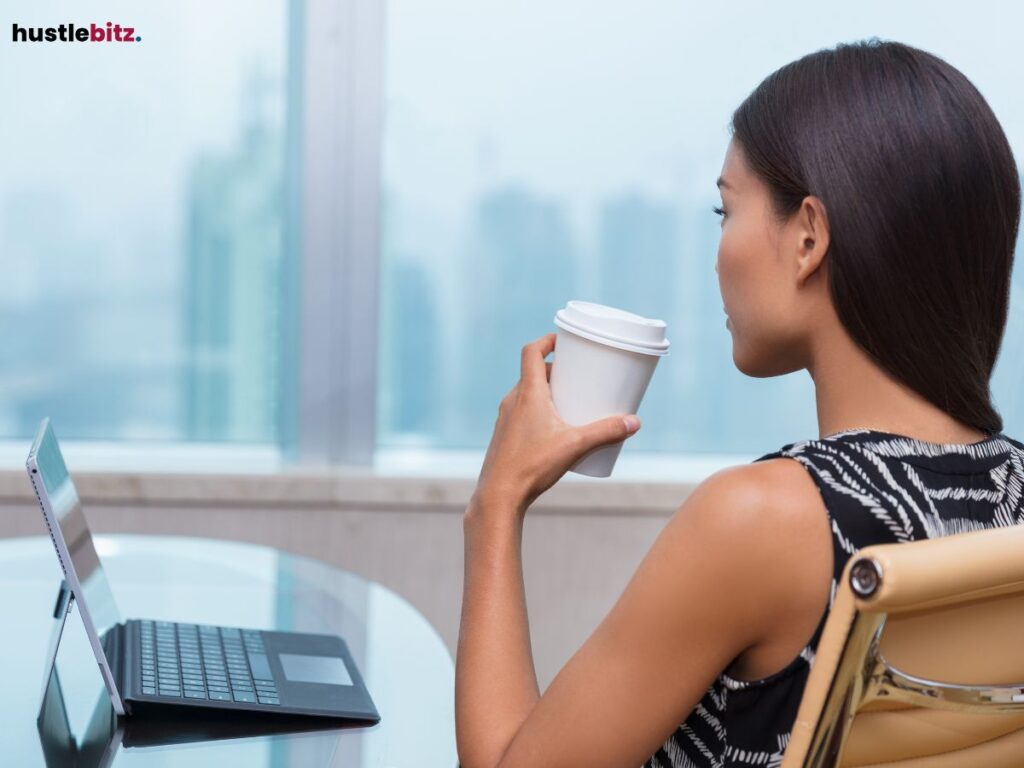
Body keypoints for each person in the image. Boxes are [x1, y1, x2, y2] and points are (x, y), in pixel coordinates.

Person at [454, 37, 1024, 768]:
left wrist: (495, 504)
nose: (718, 251)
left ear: (809, 237)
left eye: (726, 212)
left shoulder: (764, 520)